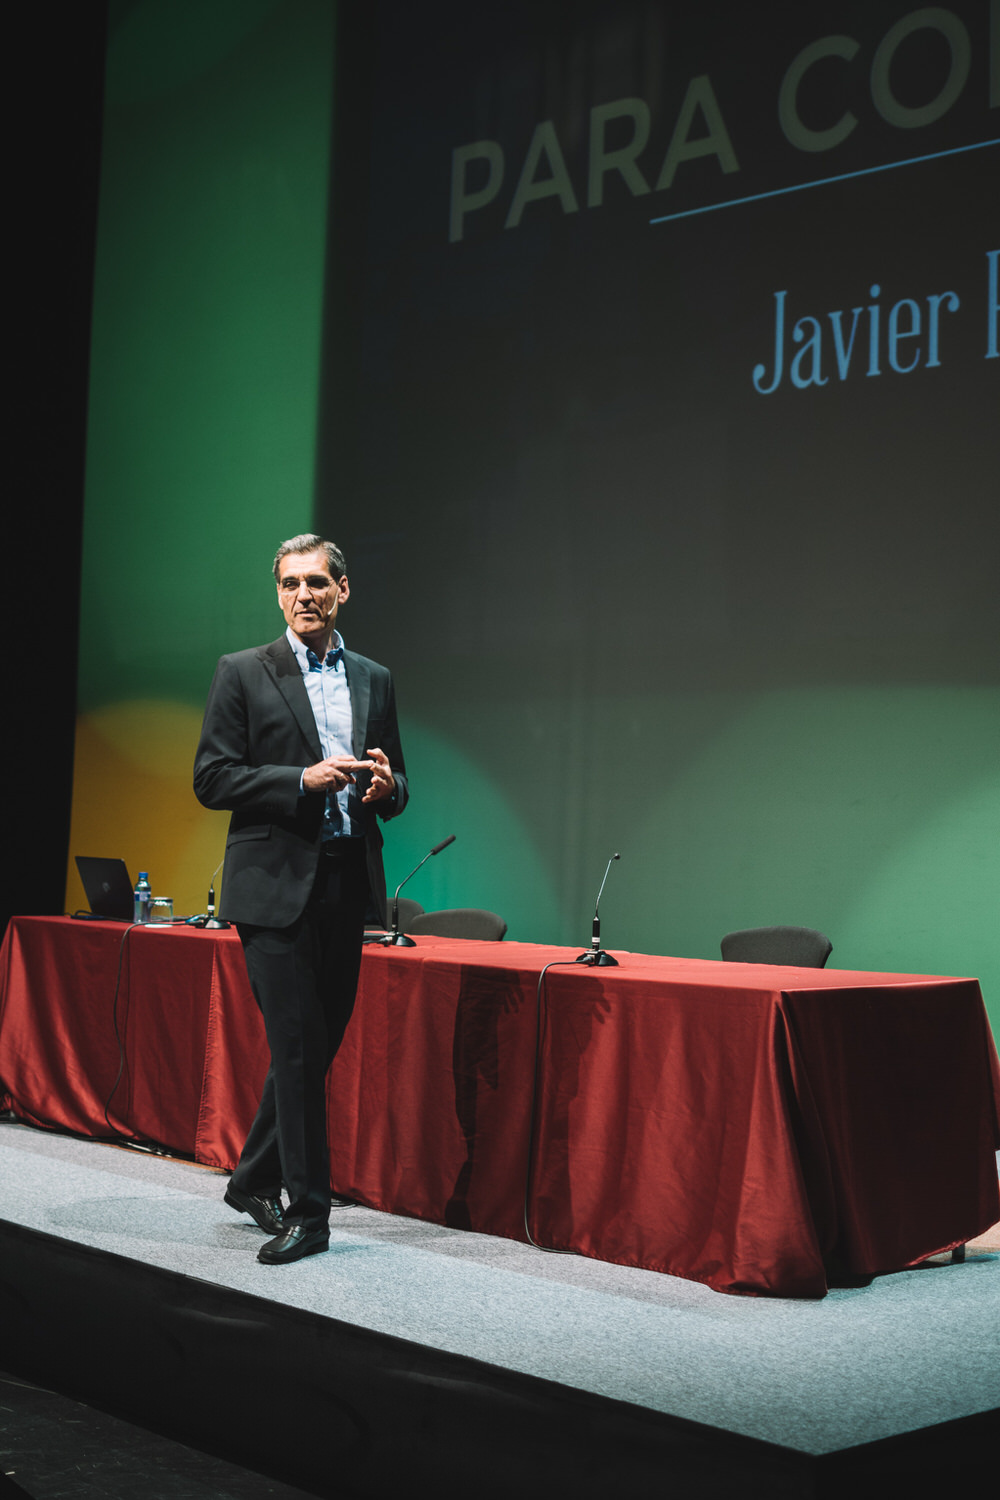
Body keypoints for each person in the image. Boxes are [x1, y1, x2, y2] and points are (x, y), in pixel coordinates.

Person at [193, 533, 408, 1264]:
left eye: (317, 582)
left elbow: (396, 781)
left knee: (315, 1048)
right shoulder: (242, 672)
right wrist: (298, 780)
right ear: (278, 593)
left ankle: (251, 1178)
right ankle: (309, 1214)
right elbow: (212, 778)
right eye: (290, 583)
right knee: (295, 1049)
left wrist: (389, 788)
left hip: (347, 885)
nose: (303, 595)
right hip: (272, 889)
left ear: (342, 589)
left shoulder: (374, 678)